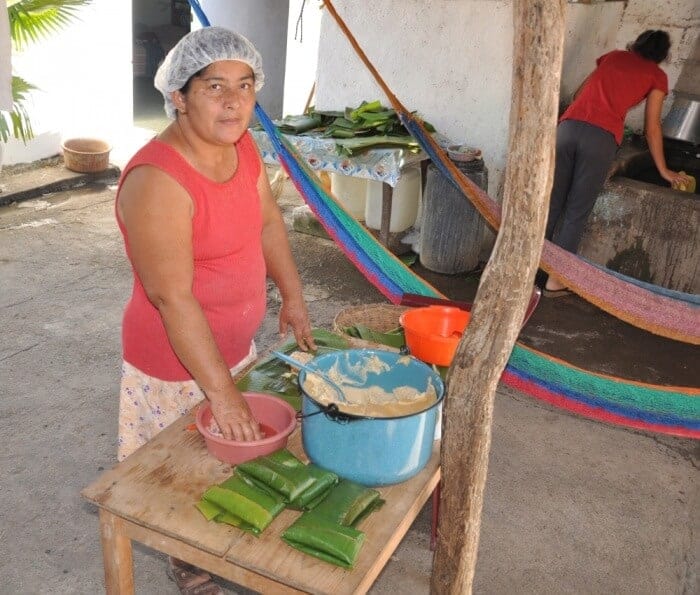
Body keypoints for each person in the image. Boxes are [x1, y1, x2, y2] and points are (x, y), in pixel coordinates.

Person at [115, 26, 316, 594]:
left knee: (225, 469)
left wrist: (294, 297)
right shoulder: (158, 179)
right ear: (178, 96)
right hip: (173, 368)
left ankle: (209, 544)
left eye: (245, 85)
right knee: (176, 478)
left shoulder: (242, 147)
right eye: (213, 87)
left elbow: (269, 223)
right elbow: (171, 297)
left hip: (234, 348)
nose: (233, 101)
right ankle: (187, 561)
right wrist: (223, 393)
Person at [544, 30, 691, 297]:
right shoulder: (657, 76)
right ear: (663, 55)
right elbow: (653, 128)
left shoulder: (612, 57)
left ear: (636, 44)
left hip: (567, 129)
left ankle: (529, 268)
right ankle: (555, 281)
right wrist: (663, 170)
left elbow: (580, 92)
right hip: (599, 140)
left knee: (551, 203)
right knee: (576, 212)